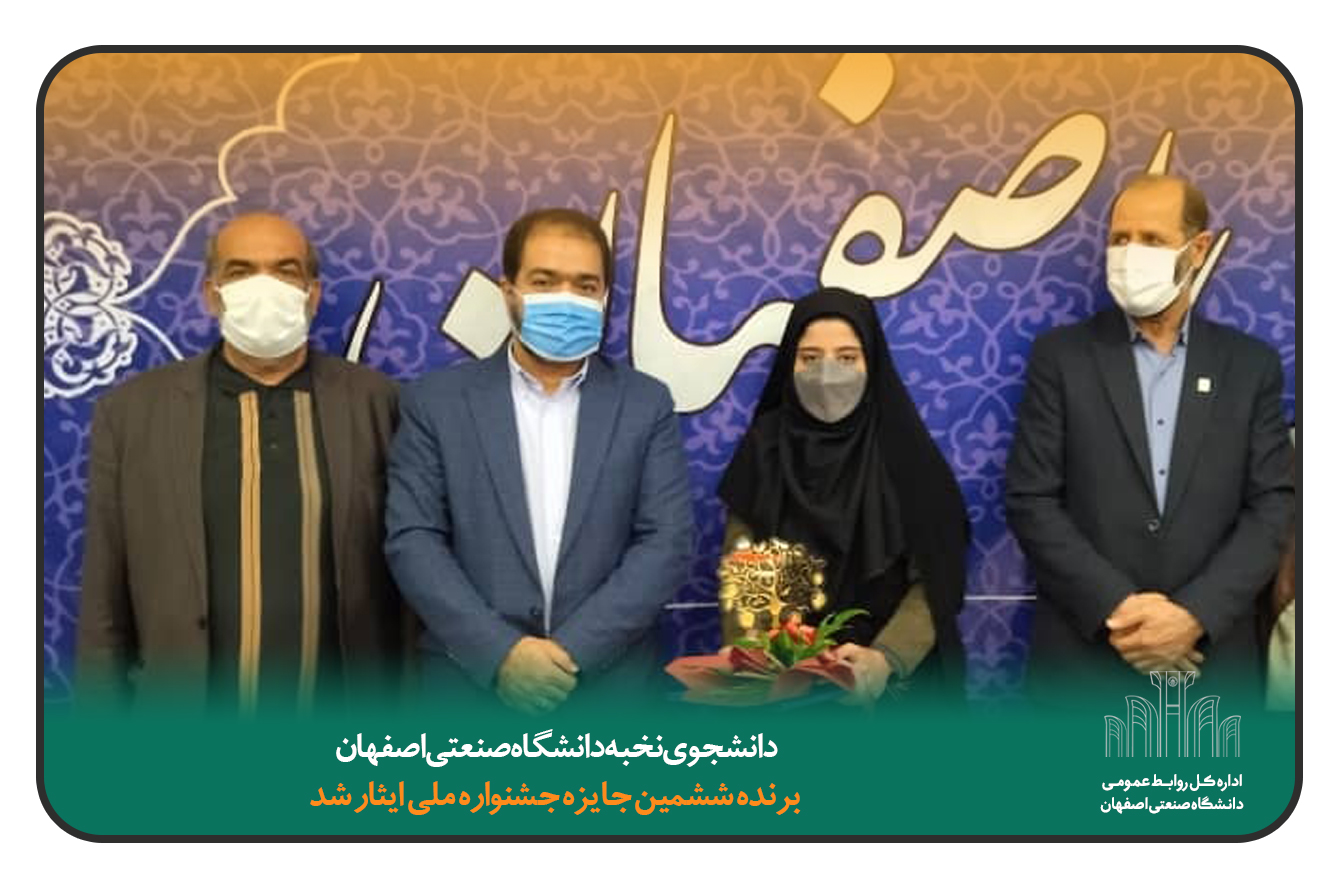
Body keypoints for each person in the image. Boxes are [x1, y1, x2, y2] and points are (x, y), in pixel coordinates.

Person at [77, 212, 404, 710]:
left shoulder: (378, 403)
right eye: (241, 271)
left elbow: (411, 573)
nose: (264, 287)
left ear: (312, 294)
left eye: (285, 270)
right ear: (212, 295)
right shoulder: (132, 413)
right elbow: (104, 593)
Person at [385, 208, 693, 713]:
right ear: (508, 291)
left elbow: (667, 542)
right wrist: (501, 655)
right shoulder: (436, 402)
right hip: (471, 689)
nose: (566, 299)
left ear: (604, 298)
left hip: (609, 691)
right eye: (544, 282)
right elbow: (413, 539)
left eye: (585, 285)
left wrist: (571, 655)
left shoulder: (645, 403)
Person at [1005, 174, 1294, 700]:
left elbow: (1272, 505)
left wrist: (1193, 615)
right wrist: (1121, 610)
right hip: (1084, 661)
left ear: (1197, 249)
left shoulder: (1250, 366)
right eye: (1120, 238)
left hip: (1208, 660)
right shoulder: (1061, 357)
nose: (1130, 253)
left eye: (1152, 239)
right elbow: (1031, 499)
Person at [717, 287, 971, 702]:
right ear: (790, 363)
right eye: (810, 358)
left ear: (872, 362)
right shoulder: (765, 448)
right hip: (786, 683)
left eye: (847, 358)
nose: (827, 374)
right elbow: (743, 563)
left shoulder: (907, 453)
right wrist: (758, 655)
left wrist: (886, 657)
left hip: (895, 686)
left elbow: (938, 580)